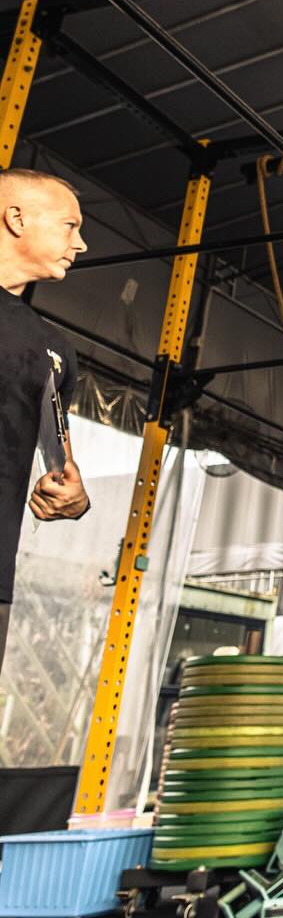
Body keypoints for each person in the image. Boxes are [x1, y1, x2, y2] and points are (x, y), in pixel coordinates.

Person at [0, 170, 90, 676]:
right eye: (69, 226)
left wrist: (72, 494)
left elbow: (61, 463)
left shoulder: (54, 347)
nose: (80, 243)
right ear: (16, 218)